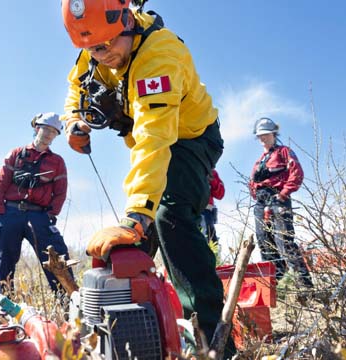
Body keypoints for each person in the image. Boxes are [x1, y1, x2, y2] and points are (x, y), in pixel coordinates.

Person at [61, 1, 234, 354]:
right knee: (132, 248)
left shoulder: (160, 55)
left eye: (107, 44)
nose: (101, 54)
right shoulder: (95, 51)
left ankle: (209, 338)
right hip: (152, 143)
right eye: (92, 48)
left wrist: (138, 213)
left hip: (190, 137)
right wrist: (72, 123)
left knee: (168, 214)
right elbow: (76, 89)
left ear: (127, 21)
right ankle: (139, 326)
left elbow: (155, 139)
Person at [0, 112, 73, 295]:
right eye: (46, 129)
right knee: (5, 262)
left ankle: (69, 307)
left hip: (39, 215)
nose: (49, 134)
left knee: (57, 259)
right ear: (37, 128)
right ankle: (4, 309)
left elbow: (60, 192)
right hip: (10, 213)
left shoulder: (57, 162)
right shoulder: (16, 154)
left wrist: (51, 215)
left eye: (54, 132)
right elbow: (1, 183)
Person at [248, 118, 313, 289]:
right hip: (261, 204)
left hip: (278, 199)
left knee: (284, 242)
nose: (263, 138)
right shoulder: (259, 160)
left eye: (266, 135)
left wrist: (283, 195)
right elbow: (252, 182)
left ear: (274, 134)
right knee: (265, 244)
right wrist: (256, 194)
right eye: (260, 135)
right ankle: (277, 288)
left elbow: (297, 173)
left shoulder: (284, 152)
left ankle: (305, 287)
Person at [201, 169, 225, 244]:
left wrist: (212, 181)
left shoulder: (211, 171)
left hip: (206, 212)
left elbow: (220, 194)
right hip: (188, 209)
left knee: (211, 242)